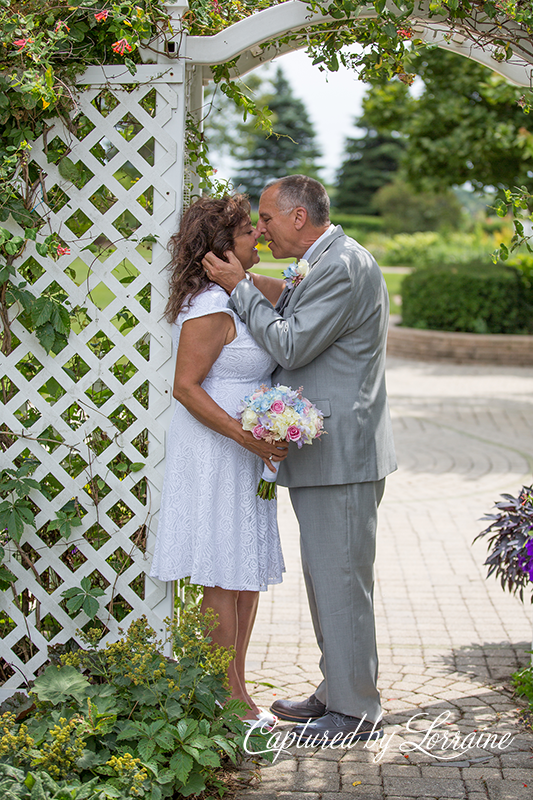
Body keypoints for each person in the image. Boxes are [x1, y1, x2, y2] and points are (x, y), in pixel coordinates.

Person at [202, 175, 397, 742]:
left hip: (343, 454)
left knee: (341, 579)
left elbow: (290, 343)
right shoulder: (328, 258)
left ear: (296, 217)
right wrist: (252, 284)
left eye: (265, 219)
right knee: (327, 578)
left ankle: (356, 711)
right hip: (331, 453)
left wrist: (239, 287)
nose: (260, 229)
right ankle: (336, 688)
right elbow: (291, 302)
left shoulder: (340, 265)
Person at [150, 195, 288, 724]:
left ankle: (238, 689)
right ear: (222, 247)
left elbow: (294, 293)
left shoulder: (240, 294)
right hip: (217, 451)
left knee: (245, 572)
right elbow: (186, 387)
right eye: (249, 231)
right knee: (222, 575)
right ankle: (225, 698)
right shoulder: (208, 307)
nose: (258, 237)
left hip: (248, 455)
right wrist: (248, 438)